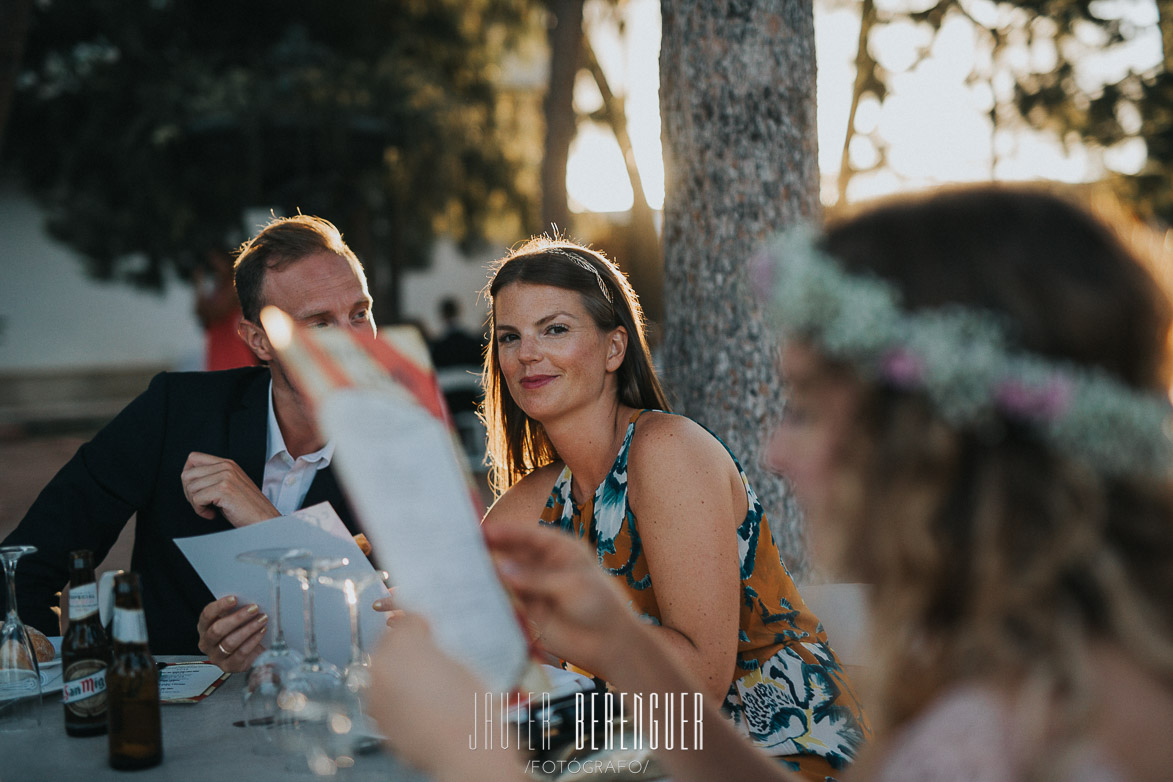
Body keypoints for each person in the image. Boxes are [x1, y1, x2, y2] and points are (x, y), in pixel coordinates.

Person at [368, 186, 1173, 782]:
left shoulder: (1058, 719)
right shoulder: (993, 658)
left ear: (936, 437)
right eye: (510, 337)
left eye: (812, 409)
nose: (776, 453)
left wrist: (468, 757)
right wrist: (610, 640)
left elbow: (710, 683)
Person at [476, 238, 868, 778]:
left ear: (614, 349)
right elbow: (513, 675)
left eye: (555, 329)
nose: (527, 354)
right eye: (509, 337)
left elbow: (704, 683)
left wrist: (527, 617)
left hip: (772, 746)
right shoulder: (525, 507)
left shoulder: (666, 451)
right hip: (626, 750)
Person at [1, 215, 374, 659]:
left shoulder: (405, 452)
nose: (355, 342)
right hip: (162, 715)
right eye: (320, 323)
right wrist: (49, 677)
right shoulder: (176, 413)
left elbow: (388, 633)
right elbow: (22, 566)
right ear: (259, 341)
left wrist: (263, 520)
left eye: (360, 313)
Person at [194, 246, 260, 371]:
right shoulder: (217, 290)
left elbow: (216, 312)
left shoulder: (233, 287)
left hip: (232, 348)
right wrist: (199, 285)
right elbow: (200, 313)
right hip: (218, 346)